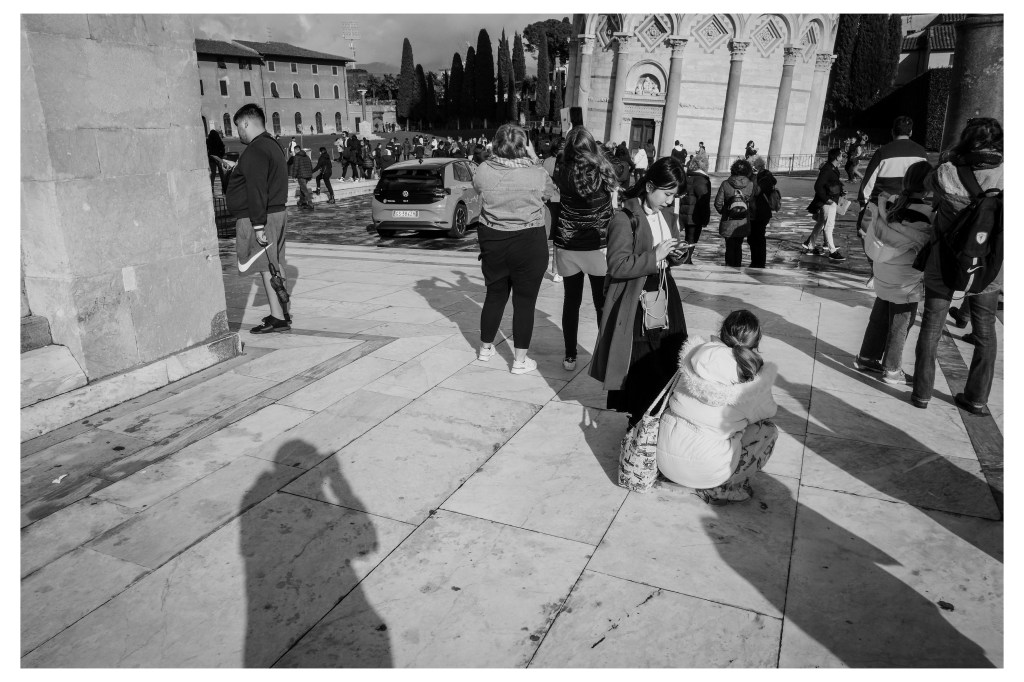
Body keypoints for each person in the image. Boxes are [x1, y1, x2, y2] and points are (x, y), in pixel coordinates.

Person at [590, 157, 690, 428]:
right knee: (642, 365)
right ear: (649, 186)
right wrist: (654, 255)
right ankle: (638, 426)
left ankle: (659, 420)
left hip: (664, 292)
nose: (670, 201)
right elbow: (617, 265)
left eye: (674, 195)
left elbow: (668, 254)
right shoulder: (625, 219)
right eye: (667, 194)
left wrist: (676, 254)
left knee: (669, 355)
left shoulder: (667, 215)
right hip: (637, 298)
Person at [912, 117, 1003, 414]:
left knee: (932, 327)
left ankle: (922, 393)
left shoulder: (948, 171)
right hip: (988, 263)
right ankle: (976, 399)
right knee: (986, 332)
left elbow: (925, 185)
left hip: (945, 259)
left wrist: (952, 155)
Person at [656, 310, 778, 505]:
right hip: (709, 472)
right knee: (767, 430)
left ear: (721, 332)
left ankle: (676, 478)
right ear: (756, 343)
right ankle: (725, 488)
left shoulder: (693, 358)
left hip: (665, 462)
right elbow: (768, 411)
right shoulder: (753, 382)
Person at [473, 124, 556, 375]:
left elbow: (479, 189)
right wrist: (533, 159)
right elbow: (550, 193)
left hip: (493, 238)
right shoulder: (536, 173)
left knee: (494, 294)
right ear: (524, 146)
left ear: (496, 144)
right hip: (528, 239)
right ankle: (519, 361)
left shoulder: (483, 170)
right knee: (525, 302)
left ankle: (485, 349)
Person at [854, 160, 934, 384]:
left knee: (879, 314)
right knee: (901, 323)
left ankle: (867, 357)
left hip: (882, 272)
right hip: (905, 281)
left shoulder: (889, 204)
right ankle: (891, 369)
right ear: (929, 186)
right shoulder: (928, 213)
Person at [552, 127, 618, 371]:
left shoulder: (562, 170)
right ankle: (604, 354)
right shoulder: (603, 171)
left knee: (571, 302)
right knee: (602, 304)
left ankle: (570, 356)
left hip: (568, 246)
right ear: (592, 147)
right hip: (597, 246)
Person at [224, 103, 290, 334]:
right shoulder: (271, 144)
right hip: (276, 212)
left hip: (263, 217)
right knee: (274, 263)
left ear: (245, 123)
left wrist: (258, 225)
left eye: (238, 128)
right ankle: (282, 311)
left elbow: (257, 189)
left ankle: (277, 317)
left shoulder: (255, 150)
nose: (237, 133)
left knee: (266, 266)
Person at [857, 116, 928, 232]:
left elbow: (867, 186)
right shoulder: (921, 153)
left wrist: (863, 208)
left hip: (882, 210)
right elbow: (926, 183)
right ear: (910, 132)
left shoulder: (882, 152)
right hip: (910, 211)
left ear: (892, 131)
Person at [800, 148, 847, 262]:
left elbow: (831, 184)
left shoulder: (832, 168)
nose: (842, 157)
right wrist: (827, 199)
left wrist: (840, 192)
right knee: (829, 226)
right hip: (828, 202)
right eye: (841, 155)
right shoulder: (827, 169)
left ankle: (810, 246)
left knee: (820, 224)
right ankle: (832, 251)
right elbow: (818, 186)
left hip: (831, 200)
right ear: (837, 157)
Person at [714, 158, 759, 267]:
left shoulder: (725, 184)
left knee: (729, 246)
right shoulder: (750, 185)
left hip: (728, 220)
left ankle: (728, 267)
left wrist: (725, 212)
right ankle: (737, 268)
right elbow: (752, 202)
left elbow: (718, 203)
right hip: (743, 220)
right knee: (738, 246)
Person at [678, 156, 711, 265]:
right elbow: (704, 201)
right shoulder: (702, 180)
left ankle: (686, 258)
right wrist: (706, 218)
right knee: (692, 238)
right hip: (695, 215)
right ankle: (686, 259)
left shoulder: (688, 177)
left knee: (688, 237)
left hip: (684, 212)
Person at [748, 156, 777, 268]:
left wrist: (754, 177)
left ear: (756, 167)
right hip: (754, 212)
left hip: (761, 213)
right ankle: (755, 261)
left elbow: (756, 191)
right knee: (752, 238)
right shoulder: (759, 176)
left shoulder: (765, 178)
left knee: (758, 238)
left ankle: (759, 262)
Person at [292, 146, 314, 210]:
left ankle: (310, 203)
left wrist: (294, 176)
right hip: (307, 175)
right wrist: (310, 174)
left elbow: (295, 167)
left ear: (296, 150)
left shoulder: (296, 157)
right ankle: (302, 201)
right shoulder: (306, 156)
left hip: (301, 175)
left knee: (304, 189)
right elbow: (310, 165)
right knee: (302, 188)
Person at [206, 129, 227, 194]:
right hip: (219, 158)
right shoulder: (218, 140)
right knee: (221, 173)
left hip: (212, 158)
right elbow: (222, 148)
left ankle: (211, 187)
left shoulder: (208, 141)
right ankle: (224, 188)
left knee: (213, 173)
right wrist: (221, 155)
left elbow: (207, 149)